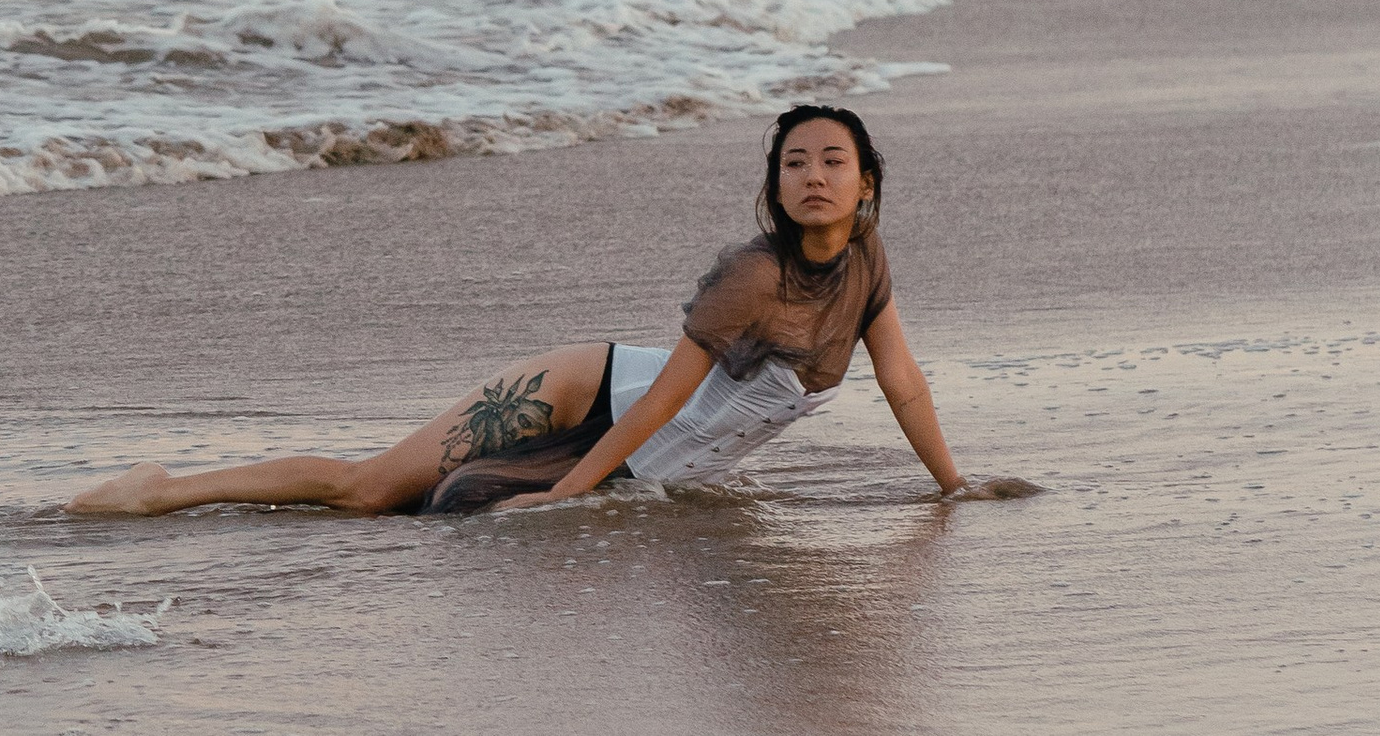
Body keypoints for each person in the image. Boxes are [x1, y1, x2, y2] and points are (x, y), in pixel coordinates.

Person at [68, 104, 1010, 518]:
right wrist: (566, 493)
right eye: (793, 162)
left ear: (865, 181)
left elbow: (902, 380)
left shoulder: (866, 257)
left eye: (832, 161)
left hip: (639, 444)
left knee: (418, 514)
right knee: (372, 489)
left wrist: (952, 485)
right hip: (581, 394)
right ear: (774, 183)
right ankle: (160, 489)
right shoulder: (750, 277)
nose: (812, 175)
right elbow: (661, 401)